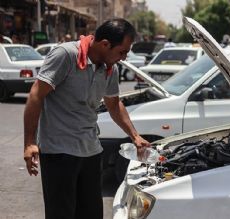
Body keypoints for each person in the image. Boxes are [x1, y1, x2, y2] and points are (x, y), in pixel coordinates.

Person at [23, 18, 150, 219]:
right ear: (105, 44)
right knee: (62, 214)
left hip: (91, 151)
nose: (124, 58)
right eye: (122, 52)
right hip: (59, 153)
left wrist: (135, 136)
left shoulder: (110, 68)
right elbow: (36, 94)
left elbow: (114, 103)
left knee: (91, 214)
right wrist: (30, 142)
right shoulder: (66, 55)